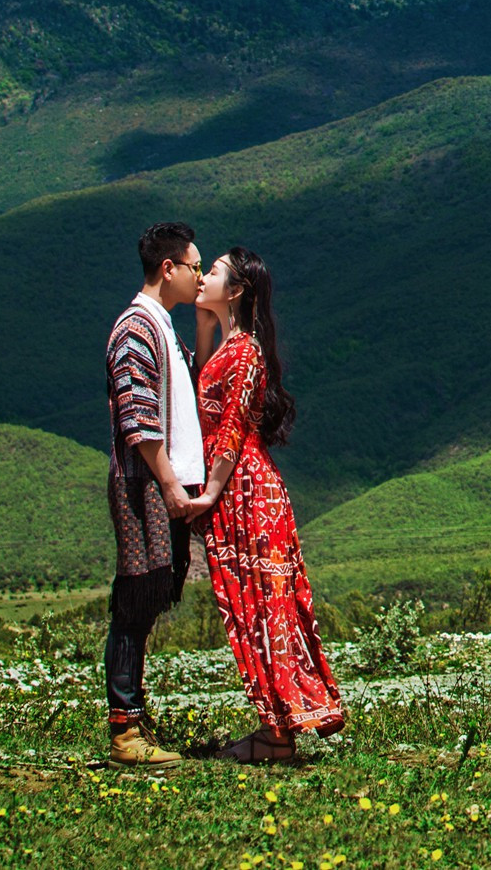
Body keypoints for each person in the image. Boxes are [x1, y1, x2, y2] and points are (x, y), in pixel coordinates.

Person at [191, 245, 346, 761]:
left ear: (235, 291)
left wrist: (210, 492)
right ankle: (276, 726)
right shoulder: (231, 347)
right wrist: (205, 325)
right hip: (241, 487)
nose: (201, 275)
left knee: (262, 605)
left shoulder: (247, 352)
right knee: (253, 604)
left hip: (246, 489)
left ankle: (277, 732)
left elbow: (231, 425)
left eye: (211, 272)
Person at [103, 220, 211, 767]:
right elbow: (137, 416)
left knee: (149, 596)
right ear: (167, 268)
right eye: (194, 266)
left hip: (162, 481)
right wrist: (169, 483)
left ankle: (134, 717)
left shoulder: (163, 326)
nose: (199, 274)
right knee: (136, 596)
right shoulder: (135, 328)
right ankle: (124, 728)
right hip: (144, 482)